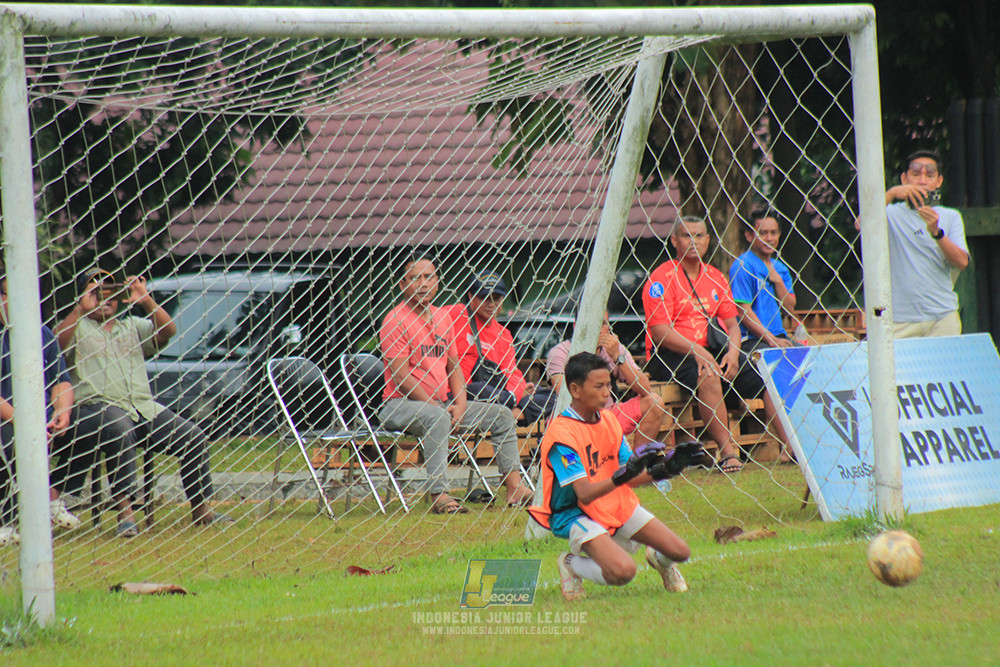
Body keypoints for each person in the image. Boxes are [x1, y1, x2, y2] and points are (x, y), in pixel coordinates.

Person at [53, 269, 227, 537]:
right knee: (118, 427)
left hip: (142, 407)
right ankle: (126, 512)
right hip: (94, 409)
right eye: (95, 291)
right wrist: (80, 309)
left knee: (193, 435)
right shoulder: (77, 325)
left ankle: (201, 510)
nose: (103, 296)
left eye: (109, 291)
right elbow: (55, 348)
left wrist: (145, 299)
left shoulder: (132, 325)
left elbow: (167, 331)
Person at [527, 352, 709, 601]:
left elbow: (629, 477)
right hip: (577, 512)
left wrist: (666, 469)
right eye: (599, 386)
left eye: (609, 384)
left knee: (680, 552)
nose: (607, 392)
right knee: (623, 572)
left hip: (614, 501)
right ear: (575, 390)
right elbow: (585, 494)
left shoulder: (609, 421)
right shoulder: (562, 436)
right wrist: (622, 476)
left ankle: (658, 560)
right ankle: (570, 563)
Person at [379, 259, 532, 514]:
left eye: (429, 277)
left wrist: (460, 404)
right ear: (402, 284)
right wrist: (436, 407)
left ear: (438, 281)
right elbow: (401, 376)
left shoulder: (442, 318)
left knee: (502, 415)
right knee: (438, 416)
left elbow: (454, 367)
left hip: (442, 404)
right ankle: (440, 495)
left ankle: (514, 488)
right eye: (415, 278)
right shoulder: (395, 320)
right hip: (399, 405)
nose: (423, 284)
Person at [642, 216, 791, 471]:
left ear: (708, 241)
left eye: (699, 236)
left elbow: (732, 325)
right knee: (709, 373)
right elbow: (659, 331)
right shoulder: (661, 277)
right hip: (668, 353)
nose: (694, 242)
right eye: (687, 236)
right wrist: (698, 351)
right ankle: (728, 452)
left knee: (765, 372)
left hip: (712, 348)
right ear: (675, 241)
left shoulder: (714, 276)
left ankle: (791, 447)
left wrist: (734, 354)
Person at [0, 274, 81, 547]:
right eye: (15, 294)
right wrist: (23, 421)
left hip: (40, 419)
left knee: (92, 428)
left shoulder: (42, 333)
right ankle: (9, 519)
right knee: (10, 440)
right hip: (8, 418)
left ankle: (50, 497)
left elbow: (62, 380)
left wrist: (63, 412)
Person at [447, 272, 555, 425]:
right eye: (485, 298)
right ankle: (509, 411)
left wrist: (514, 394)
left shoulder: (504, 335)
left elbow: (513, 373)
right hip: (464, 392)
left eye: (496, 298)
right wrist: (516, 396)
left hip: (497, 394)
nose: (491, 304)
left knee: (551, 396)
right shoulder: (456, 314)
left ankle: (509, 413)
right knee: (478, 389)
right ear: (471, 296)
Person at [883, 149, 969, 338]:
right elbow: (860, 224)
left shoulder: (951, 216)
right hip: (900, 318)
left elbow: (962, 262)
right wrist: (891, 193)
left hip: (942, 316)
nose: (922, 180)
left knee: (946, 368)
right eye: (915, 174)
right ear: (904, 179)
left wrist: (937, 233)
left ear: (939, 181)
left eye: (929, 175)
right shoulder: (889, 213)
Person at [546, 315, 666, 447]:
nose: (598, 328)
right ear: (577, 326)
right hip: (577, 419)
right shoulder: (560, 352)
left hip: (610, 415)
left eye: (603, 323)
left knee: (654, 402)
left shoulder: (613, 347)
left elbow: (644, 388)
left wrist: (617, 357)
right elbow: (565, 395)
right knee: (557, 423)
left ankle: (637, 463)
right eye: (593, 322)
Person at [728, 211, 797, 351]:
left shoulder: (780, 268)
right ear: (749, 235)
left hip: (779, 336)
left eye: (774, 232)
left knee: (810, 362)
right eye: (763, 233)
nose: (769, 238)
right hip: (752, 339)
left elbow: (790, 307)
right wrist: (771, 339)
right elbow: (743, 311)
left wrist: (778, 281)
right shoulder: (743, 266)